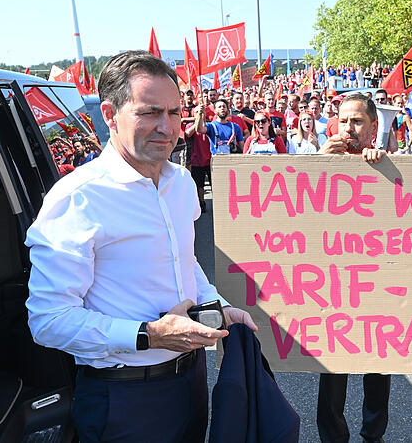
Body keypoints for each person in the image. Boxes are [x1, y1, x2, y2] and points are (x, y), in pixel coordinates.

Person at [24, 51, 256, 442]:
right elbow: (47, 321)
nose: (166, 127)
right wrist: (148, 335)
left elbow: (184, 262)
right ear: (111, 114)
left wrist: (218, 306)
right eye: (149, 113)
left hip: (190, 382)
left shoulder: (181, 183)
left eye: (174, 112)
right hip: (124, 396)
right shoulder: (78, 198)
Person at [316, 93, 390, 443]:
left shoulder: (385, 164)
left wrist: (382, 166)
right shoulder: (322, 159)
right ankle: (333, 437)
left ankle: (373, 434)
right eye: (344, 120)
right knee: (332, 369)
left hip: (377, 286)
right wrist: (317, 163)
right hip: (333, 286)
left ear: (372, 127)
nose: (349, 128)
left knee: (379, 367)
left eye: (357, 121)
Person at [186, 104, 212, 213]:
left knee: (213, 183)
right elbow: (188, 133)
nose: (200, 114)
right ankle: (201, 202)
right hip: (197, 160)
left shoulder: (210, 125)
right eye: (197, 112)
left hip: (210, 160)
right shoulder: (190, 125)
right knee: (199, 184)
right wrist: (198, 119)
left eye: (201, 112)